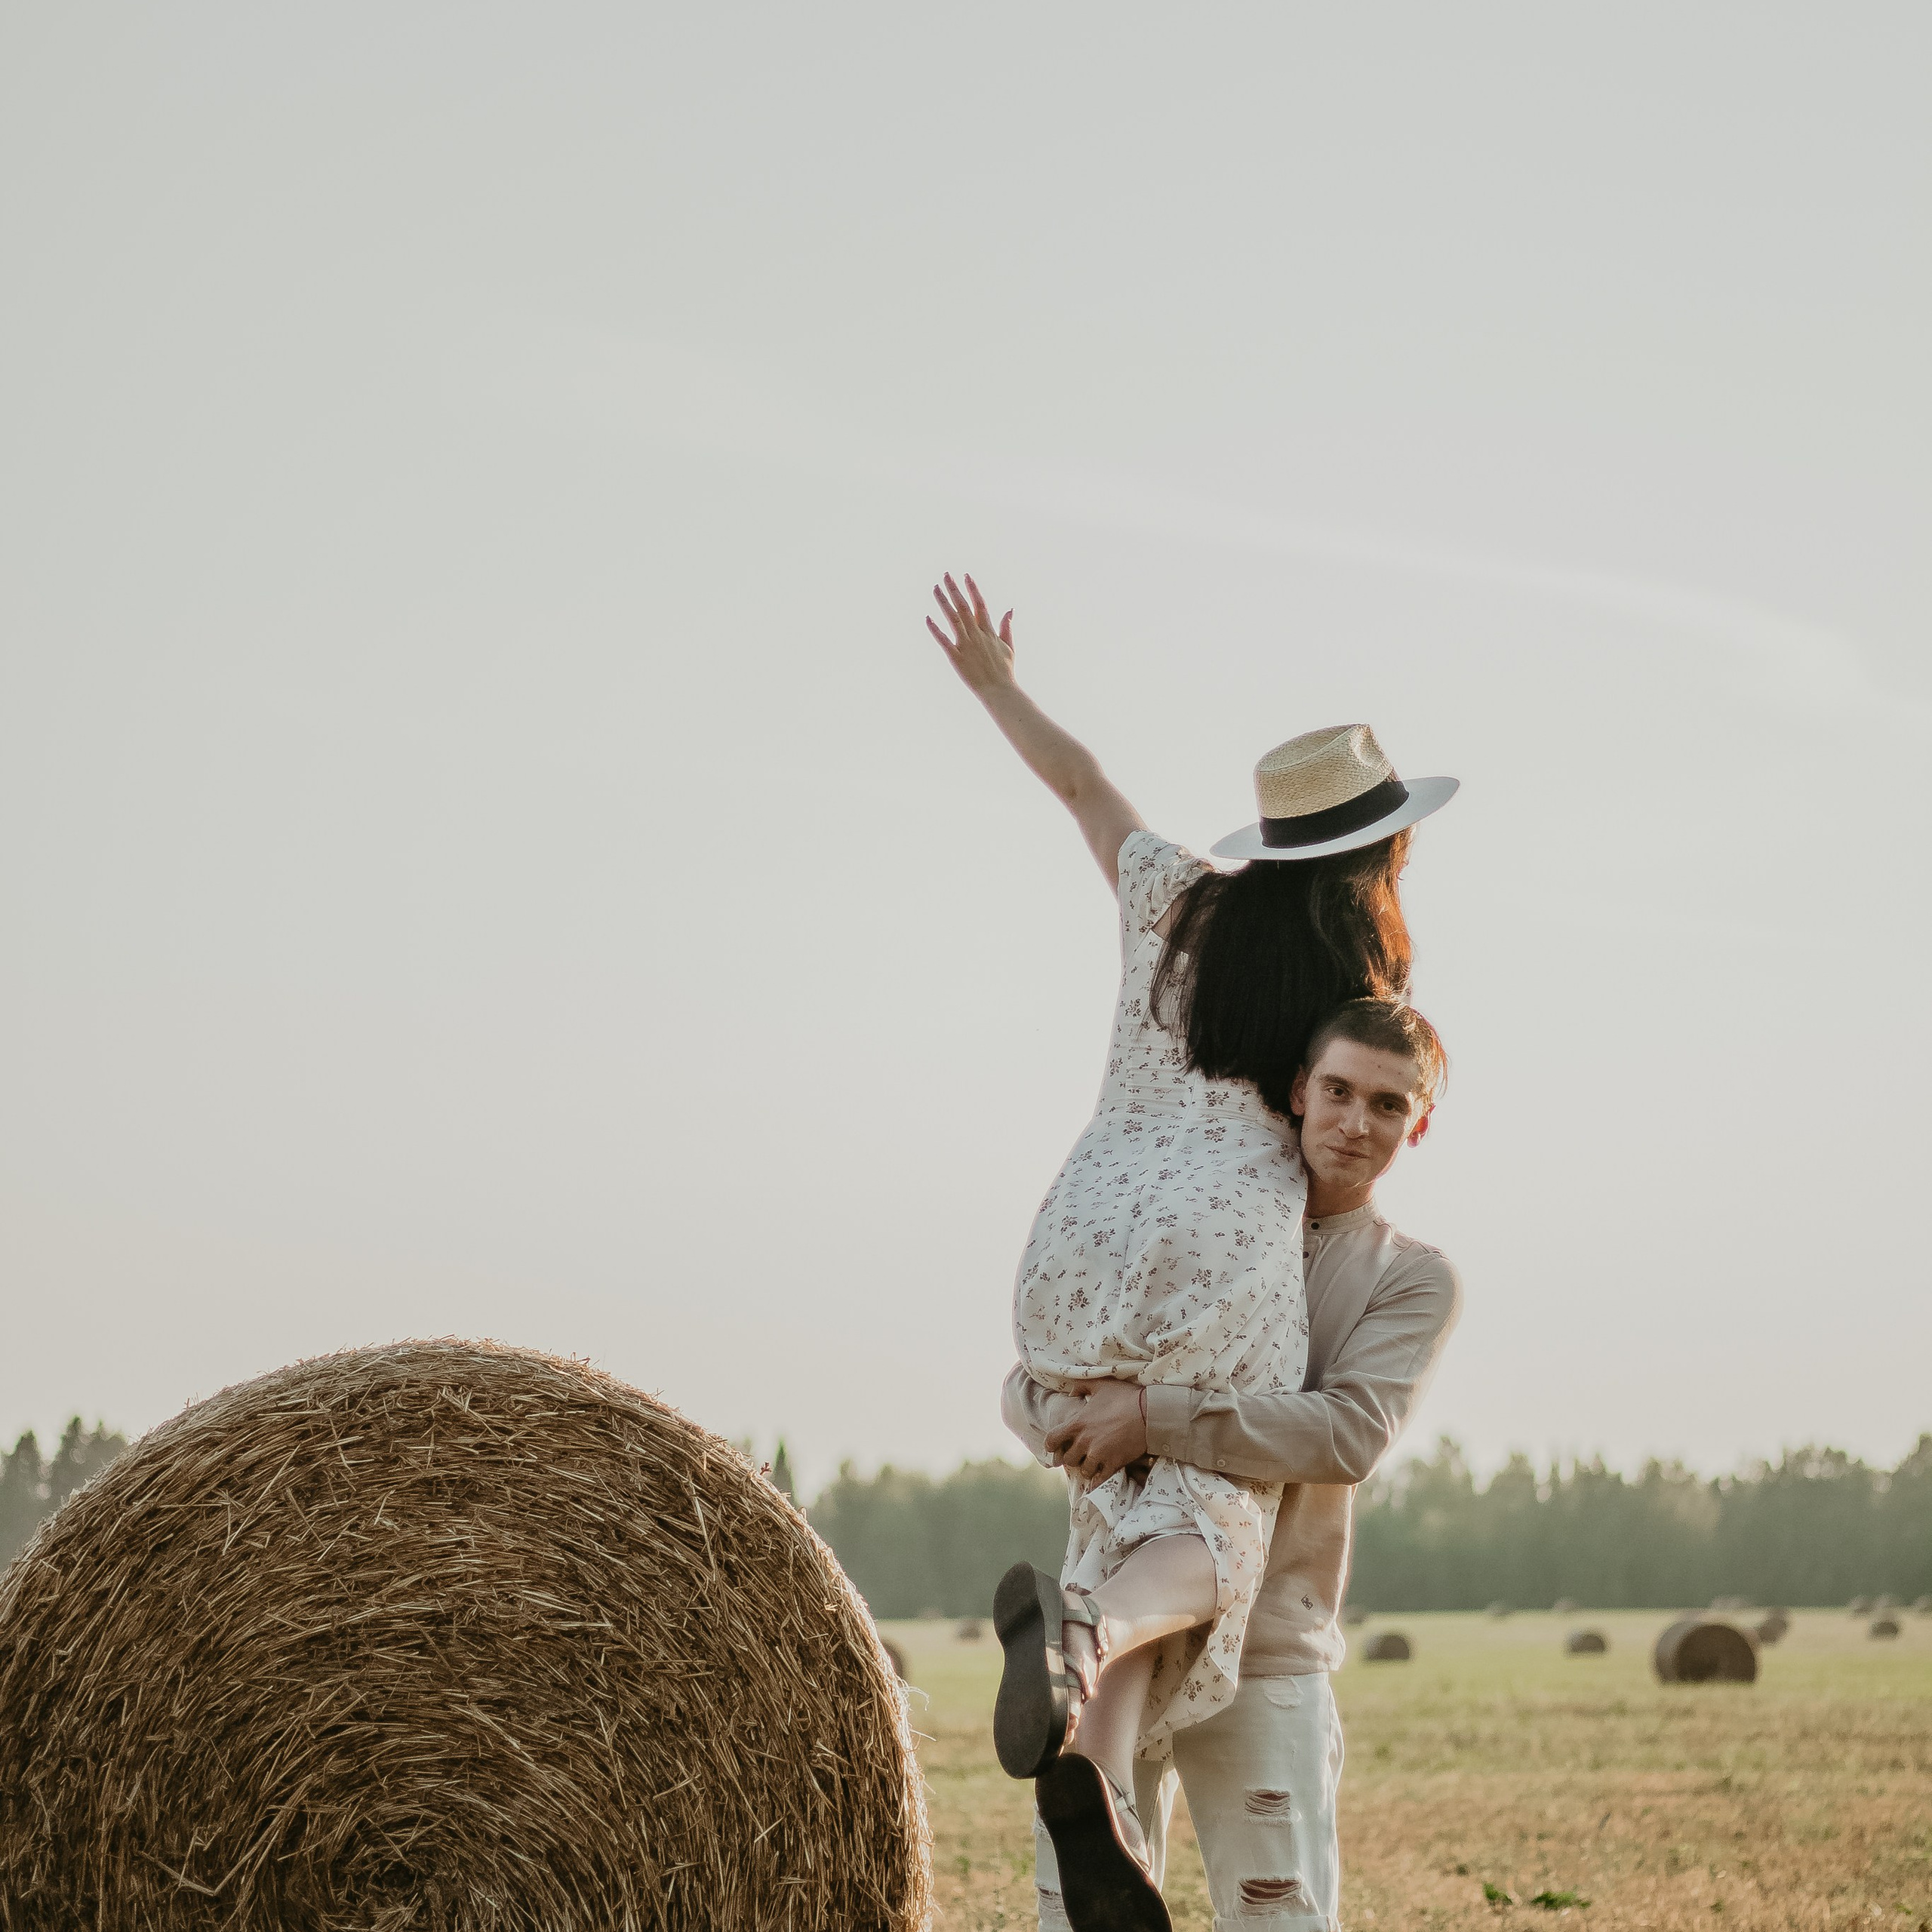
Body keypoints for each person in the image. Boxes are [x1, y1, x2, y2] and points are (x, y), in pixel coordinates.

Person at [924, 572, 1459, 1929]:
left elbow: (1085, 787)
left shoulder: (1182, 899)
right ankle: (1091, 1633)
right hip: (1219, 1244)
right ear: (1382, 854)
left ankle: (1092, 1765)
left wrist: (994, 684)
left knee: (1121, 1498)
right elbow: (1361, 1101)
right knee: (1212, 1521)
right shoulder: (1353, 1001)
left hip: (1080, 1224)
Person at [1008, 997, 1460, 1930]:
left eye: (1386, 1104)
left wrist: (1150, 1418)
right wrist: (1073, 1411)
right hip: (1109, 1647)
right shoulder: (1183, 1222)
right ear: (1298, 1092)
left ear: (1416, 1126)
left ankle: (1084, 1631)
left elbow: (1346, 1436)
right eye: (1337, 1090)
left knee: (1277, 1920)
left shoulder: (1409, 1275)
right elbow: (1030, 1376)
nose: (1354, 1121)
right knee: (1081, 1920)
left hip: (1266, 1658)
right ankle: (1083, 1639)